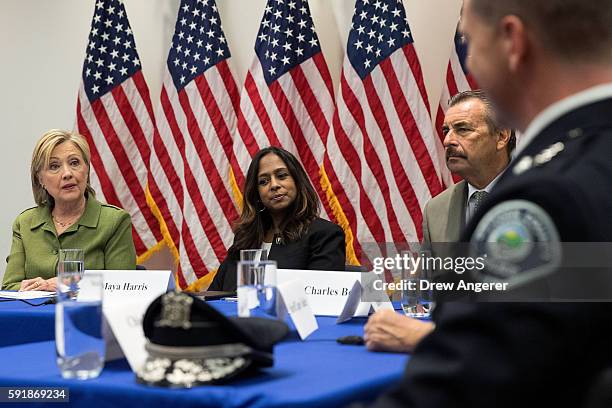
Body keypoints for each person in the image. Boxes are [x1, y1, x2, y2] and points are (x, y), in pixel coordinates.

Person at [365, 0, 612, 406]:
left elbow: (464, 389)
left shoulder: (547, 199)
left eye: (469, 43)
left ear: (512, 41)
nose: (471, 62)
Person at [364, 90, 515, 353]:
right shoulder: (437, 208)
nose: (447, 140)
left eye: (462, 129)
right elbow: (426, 286)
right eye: (446, 131)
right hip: (452, 347)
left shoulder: (538, 193)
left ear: (502, 135)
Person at [2, 130, 137, 291]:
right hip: (34, 315)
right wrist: (29, 287)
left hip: (89, 316)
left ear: (86, 170)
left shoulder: (115, 221)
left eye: (74, 163)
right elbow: (9, 287)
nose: (67, 173)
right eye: (54, 166)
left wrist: (66, 284)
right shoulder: (25, 223)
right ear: (40, 179)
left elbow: (124, 287)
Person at [208, 146, 345, 292]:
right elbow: (215, 292)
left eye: (281, 176)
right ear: (256, 194)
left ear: (297, 181)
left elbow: (321, 300)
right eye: (263, 181)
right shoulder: (245, 238)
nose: (274, 185)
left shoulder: (324, 235)